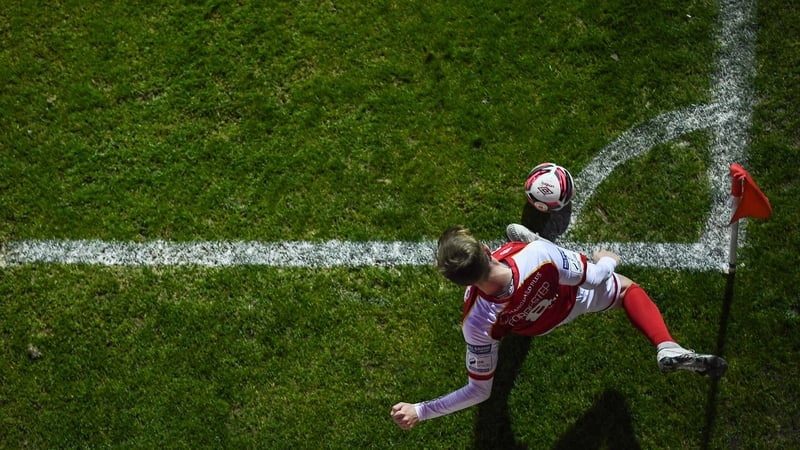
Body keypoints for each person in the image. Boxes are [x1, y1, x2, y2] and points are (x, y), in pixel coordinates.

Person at [391, 224, 727, 430]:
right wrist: (606, 258)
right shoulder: (536, 256)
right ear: (484, 249)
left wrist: (420, 411)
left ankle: (541, 254)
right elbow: (597, 276)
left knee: (522, 309)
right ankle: (666, 344)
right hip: (571, 296)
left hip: (540, 323)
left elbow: (479, 391)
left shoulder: (476, 321)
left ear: (459, 283)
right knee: (625, 288)